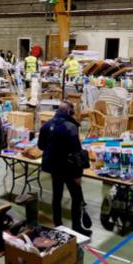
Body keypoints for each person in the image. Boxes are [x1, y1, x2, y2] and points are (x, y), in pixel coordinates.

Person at [38, 101, 91, 236]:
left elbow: (41, 146)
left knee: (57, 196)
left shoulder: (47, 125)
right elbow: (77, 152)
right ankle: (76, 227)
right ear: (69, 111)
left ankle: (58, 225)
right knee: (76, 197)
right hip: (69, 168)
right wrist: (78, 174)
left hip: (54, 167)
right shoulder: (70, 127)